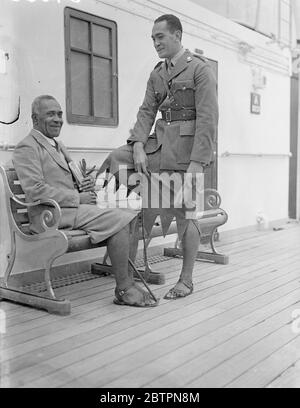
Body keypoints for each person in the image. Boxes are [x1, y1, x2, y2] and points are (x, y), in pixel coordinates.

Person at [99, 14, 218, 299]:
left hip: (186, 154)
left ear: (177, 35)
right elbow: (146, 112)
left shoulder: (199, 71)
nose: (155, 43)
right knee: (118, 157)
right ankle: (122, 243)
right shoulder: (157, 73)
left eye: (160, 37)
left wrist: (197, 164)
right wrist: (138, 144)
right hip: (157, 147)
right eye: (153, 38)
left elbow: (208, 120)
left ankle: (186, 281)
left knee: (186, 214)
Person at [13, 95, 158, 307]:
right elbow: (35, 191)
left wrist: (84, 183)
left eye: (60, 114)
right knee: (122, 219)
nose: (57, 119)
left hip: (71, 209)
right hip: (49, 216)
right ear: (35, 119)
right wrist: (77, 196)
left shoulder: (58, 145)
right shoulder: (27, 147)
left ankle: (126, 281)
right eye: (50, 114)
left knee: (131, 212)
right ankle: (124, 287)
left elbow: (69, 180)